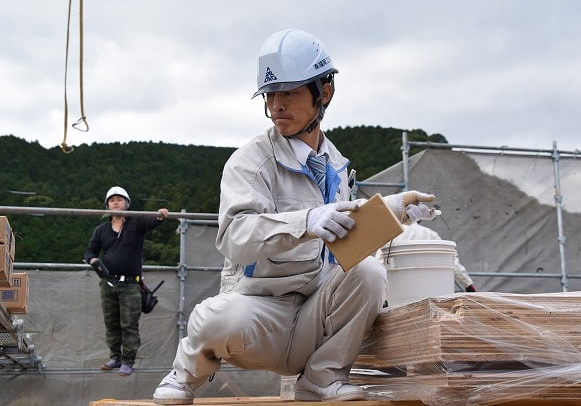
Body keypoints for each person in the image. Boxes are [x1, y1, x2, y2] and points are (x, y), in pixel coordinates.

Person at [152, 28, 438, 404]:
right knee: (216, 318)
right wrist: (305, 221)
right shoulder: (251, 162)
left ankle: (321, 378)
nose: (276, 105)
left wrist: (392, 214)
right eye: (270, 94)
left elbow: (344, 250)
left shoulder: (336, 167)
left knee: (369, 273)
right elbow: (234, 237)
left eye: (288, 92)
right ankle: (184, 375)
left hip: (312, 316)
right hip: (259, 315)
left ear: (325, 92)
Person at [84, 186, 169, 376]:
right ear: (107, 205)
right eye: (112, 200)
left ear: (127, 204)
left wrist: (160, 215)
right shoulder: (101, 230)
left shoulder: (136, 223)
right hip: (108, 283)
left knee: (129, 323)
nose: (115, 202)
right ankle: (115, 356)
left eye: (119, 199)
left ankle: (128, 361)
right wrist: (93, 260)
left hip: (131, 283)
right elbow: (89, 251)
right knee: (111, 322)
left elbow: (152, 221)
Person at [376, 223, 477, 292]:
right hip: (428, 287)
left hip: (398, 288)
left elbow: (378, 264)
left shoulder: (392, 233)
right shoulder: (430, 234)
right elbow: (451, 260)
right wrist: (468, 284)